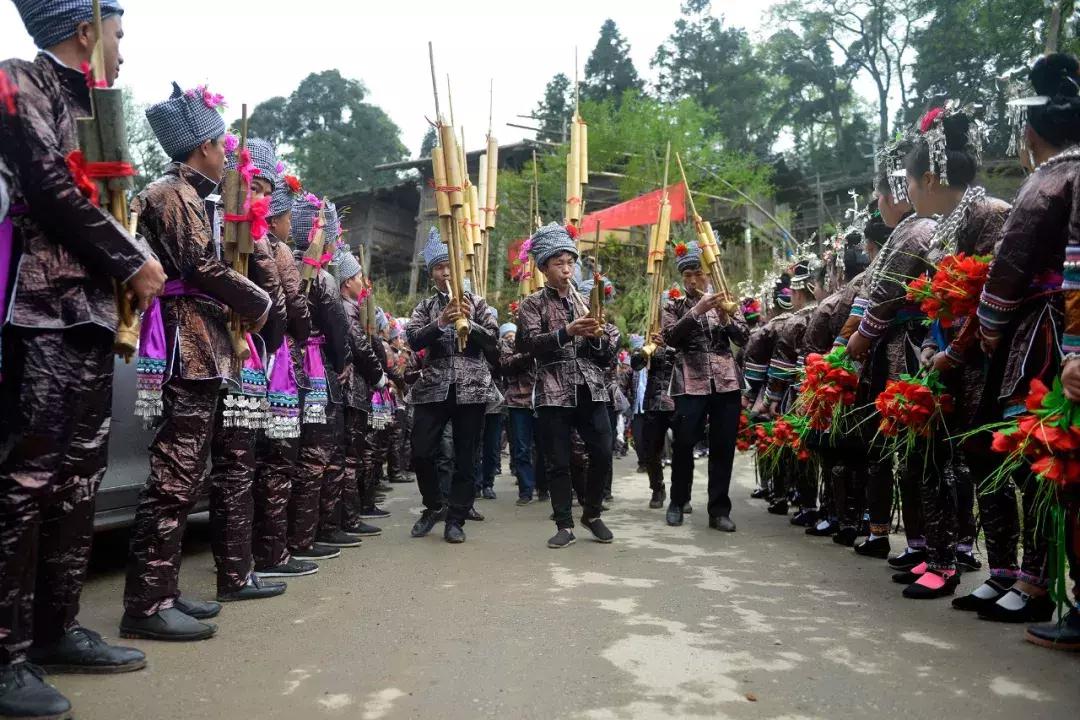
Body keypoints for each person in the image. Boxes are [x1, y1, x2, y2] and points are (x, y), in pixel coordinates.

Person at [0, 2, 164, 713]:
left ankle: (56, 628)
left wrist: (127, 264)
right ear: (86, 32)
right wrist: (133, 260)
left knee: (78, 476)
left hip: (94, 314)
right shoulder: (19, 81)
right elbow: (49, 185)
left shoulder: (100, 107)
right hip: (37, 308)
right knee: (29, 475)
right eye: (119, 36)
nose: (124, 53)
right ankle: (4, 655)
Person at [120, 81, 271, 641]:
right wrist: (259, 300)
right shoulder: (169, 194)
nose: (227, 149)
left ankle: (164, 588)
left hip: (205, 341)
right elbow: (200, 267)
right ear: (202, 146)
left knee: (190, 474)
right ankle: (145, 604)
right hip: (185, 343)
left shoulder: (196, 195)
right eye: (220, 141)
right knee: (174, 474)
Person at [977, 53, 1080, 627]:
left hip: (1042, 333)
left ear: (1033, 131)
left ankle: (1036, 579)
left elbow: (1009, 263)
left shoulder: (1049, 178)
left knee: (1038, 460)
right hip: (1057, 326)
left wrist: (990, 326)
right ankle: (1030, 576)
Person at [896, 105, 1010, 600]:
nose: (908, 193)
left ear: (929, 177)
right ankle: (943, 559)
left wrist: (954, 353)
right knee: (942, 459)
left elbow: (990, 298)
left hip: (986, 362)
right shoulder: (943, 228)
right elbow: (933, 305)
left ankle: (1009, 573)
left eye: (909, 182)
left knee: (989, 462)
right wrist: (927, 344)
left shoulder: (991, 216)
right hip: (946, 361)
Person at [205, 138, 289, 604]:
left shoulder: (252, 231)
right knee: (228, 467)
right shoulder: (213, 215)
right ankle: (231, 575)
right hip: (213, 351)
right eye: (253, 184)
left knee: (241, 464)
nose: (259, 196)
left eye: (265, 189)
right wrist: (259, 304)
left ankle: (238, 572)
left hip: (248, 355)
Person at [845, 138, 933, 564]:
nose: (878, 202)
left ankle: (932, 549)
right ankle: (914, 544)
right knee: (893, 452)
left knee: (915, 454)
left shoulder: (916, 230)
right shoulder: (908, 230)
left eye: (880, 194)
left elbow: (881, 300)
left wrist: (854, 346)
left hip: (913, 349)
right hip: (895, 350)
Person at [517, 223, 618, 549]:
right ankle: (564, 523)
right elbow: (530, 345)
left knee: (603, 451)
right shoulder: (532, 304)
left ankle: (592, 512)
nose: (566, 269)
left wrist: (598, 338)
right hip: (552, 387)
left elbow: (605, 356)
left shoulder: (586, 301)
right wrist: (568, 332)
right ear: (544, 267)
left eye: (570, 262)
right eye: (558, 263)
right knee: (558, 460)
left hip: (590, 386)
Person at [406, 228, 499, 544]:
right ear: (431, 272)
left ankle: (456, 518)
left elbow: (494, 343)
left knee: (466, 455)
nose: (445, 272)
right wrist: (442, 321)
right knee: (420, 450)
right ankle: (433, 505)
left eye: (449, 265)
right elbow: (413, 339)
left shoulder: (478, 302)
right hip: (433, 386)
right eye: (438, 267)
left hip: (471, 386)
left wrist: (469, 323)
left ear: (459, 269)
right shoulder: (426, 307)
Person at [251, 175, 317, 580]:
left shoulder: (254, 239)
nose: (292, 227)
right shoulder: (270, 248)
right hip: (271, 360)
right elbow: (289, 306)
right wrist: (282, 341)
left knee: (259, 463)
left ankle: (263, 556)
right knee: (275, 461)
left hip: (257, 352)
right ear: (273, 221)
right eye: (288, 218)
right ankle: (271, 555)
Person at [663, 240, 749, 532]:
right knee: (685, 443)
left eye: (697, 273)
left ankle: (719, 510)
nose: (691, 280)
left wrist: (726, 319)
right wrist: (696, 311)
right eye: (686, 274)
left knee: (723, 446)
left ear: (708, 275)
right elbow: (670, 338)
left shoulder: (726, 298)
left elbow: (744, 338)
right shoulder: (673, 305)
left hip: (726, 382)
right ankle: (677, 501)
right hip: (690, 381)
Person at [288, 196, 351, 561]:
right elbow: (337, 327)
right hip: (314, 367)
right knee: (315, 457)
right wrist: (341, 361)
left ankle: (294, 538)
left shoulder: (281, 260)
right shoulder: (320, 277)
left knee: (290, 458)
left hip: (283, 365)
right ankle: (303, 539)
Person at [331, 244, 388, 540]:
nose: (362, 282)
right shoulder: (345, 308)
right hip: (352, 390)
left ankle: (349, 515)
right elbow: (359, 346)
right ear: (346, 282)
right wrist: (379, 376)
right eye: (357, 277)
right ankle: (349, 519)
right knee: (350, 457)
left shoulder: (350, 307)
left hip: (355, 390)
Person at [630, 312, 677, 510]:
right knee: (651, 450)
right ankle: (657, 488)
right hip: (654, 402)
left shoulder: (681, 337)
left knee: (682, 449)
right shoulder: (651, 339)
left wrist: (669, 345)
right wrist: (643, 350)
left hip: (678, 399)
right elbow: (636, 365)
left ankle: (681, 495)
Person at [500, 320, 539, 505]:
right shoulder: (507, 347)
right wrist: (526, 353)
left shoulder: (541, 340)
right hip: (517, 402)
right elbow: (506, 365)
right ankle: (526, 490)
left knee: (543, 446)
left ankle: (544, 486)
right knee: (522, 448)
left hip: (542, 399)